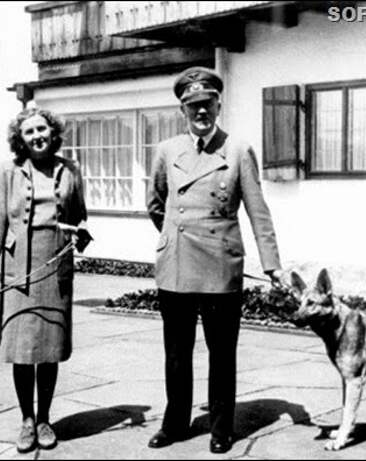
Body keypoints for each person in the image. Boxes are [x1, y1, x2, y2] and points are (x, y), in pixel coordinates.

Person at [146, 66, 283, 454]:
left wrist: (272, 264)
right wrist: (174, 235)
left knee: (222, 353)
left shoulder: (238, 150)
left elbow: (258, 212)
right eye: (193, 106)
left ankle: (222, 427)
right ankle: (175, 423)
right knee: (176, 352)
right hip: (176, 264)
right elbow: (156, 204)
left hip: (221, 265)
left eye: (207, 104)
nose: (201, 112)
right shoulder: (168, 150)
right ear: (182, 110)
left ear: (218, 104)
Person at [0, 107, 91, 453]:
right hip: (18, 270)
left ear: (53, 132)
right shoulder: (5, 172)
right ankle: (26, 419)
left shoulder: (71, 169)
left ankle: (44, 418)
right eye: (29, 132)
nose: (38, 135)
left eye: (42, 129)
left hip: (55, 268)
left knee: (49, 350)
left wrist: (81, 232)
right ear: (20, 139)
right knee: (23, 352)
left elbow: (80, 214)